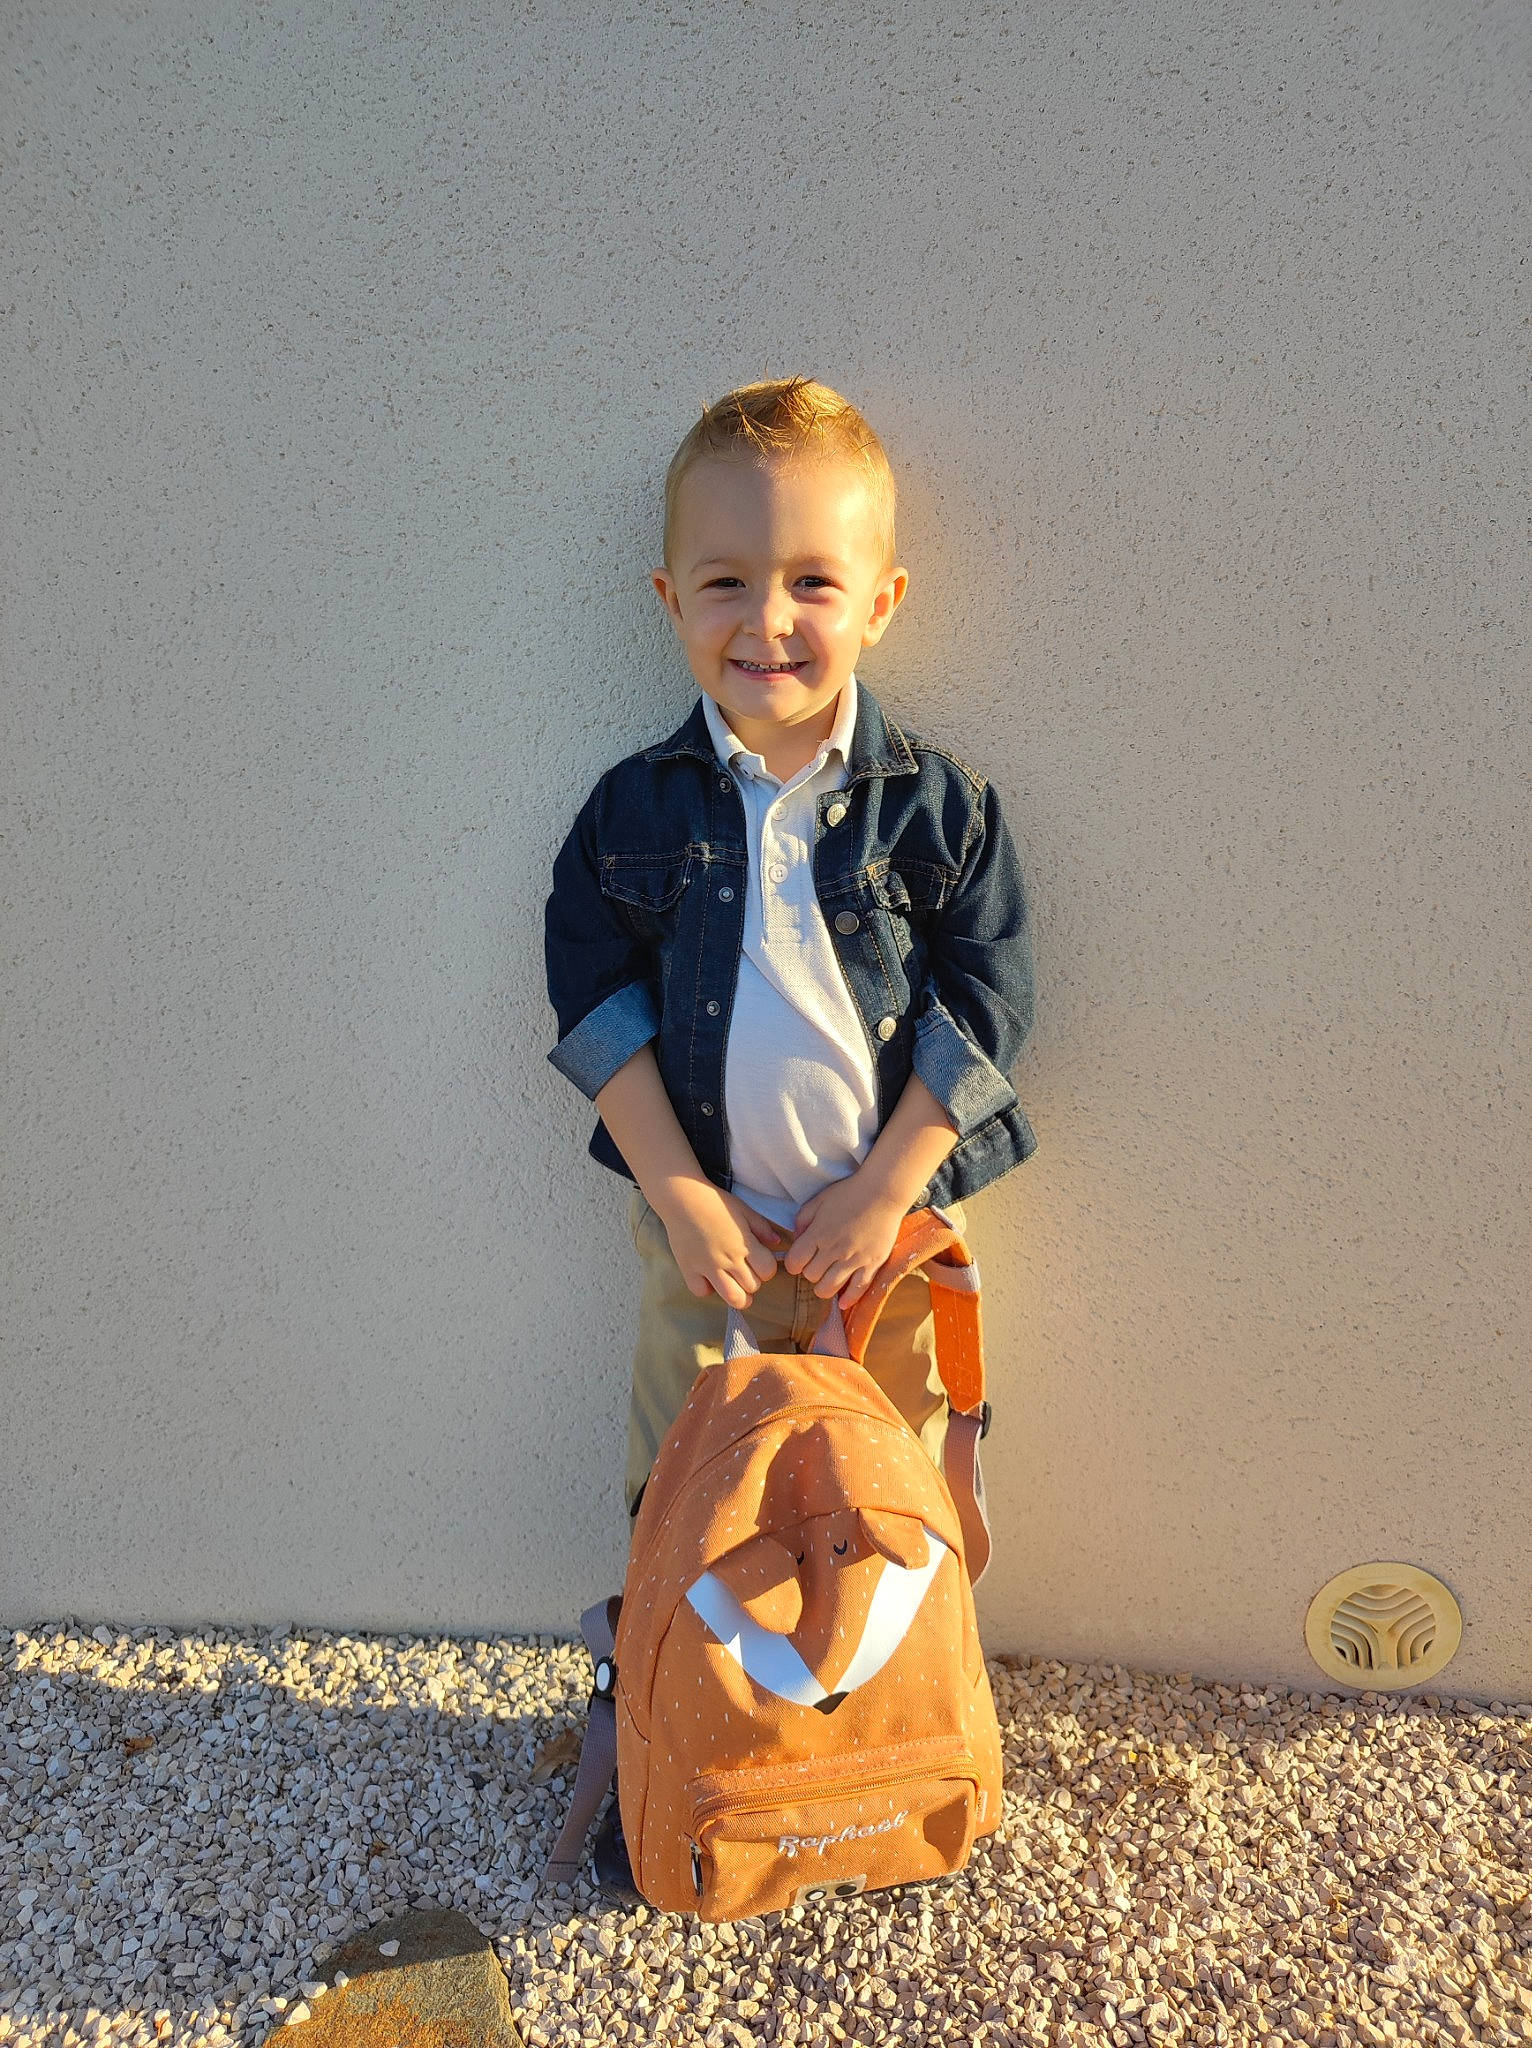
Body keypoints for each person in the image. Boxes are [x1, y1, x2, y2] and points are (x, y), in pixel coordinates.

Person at [543, 374, 1038, 1890]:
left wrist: (887, 1192)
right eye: (727, 583)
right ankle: (682, 1737)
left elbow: (989, 1001)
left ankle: (874, 1742)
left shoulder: (935, 810)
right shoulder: (633, 814)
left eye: (813, 582)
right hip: (707, 1242)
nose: (769, 620)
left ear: (881, 601)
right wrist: (682, 1197)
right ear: (668, 601)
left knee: (876, 1500)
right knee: (686, 1497)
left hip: (880, 1255)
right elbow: (594, 1001)